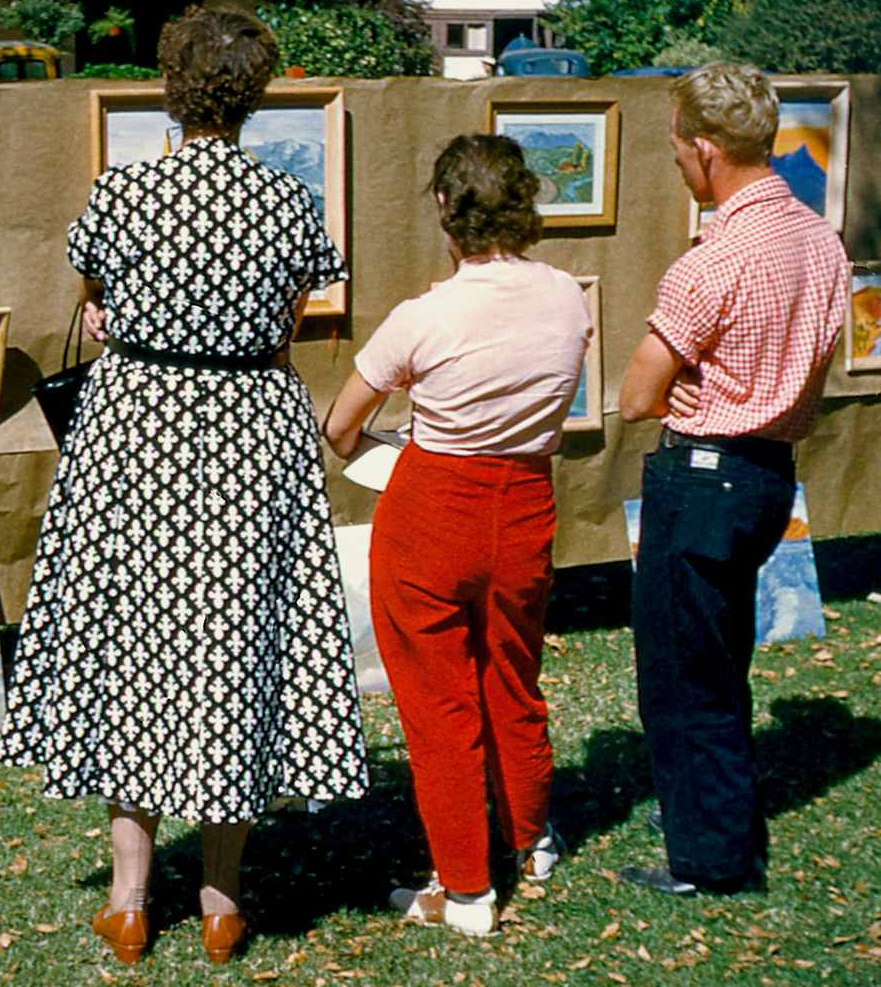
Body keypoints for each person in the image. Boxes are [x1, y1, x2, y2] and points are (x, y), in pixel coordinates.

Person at [0, 3, 370, 965]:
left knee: (132, 642)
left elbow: (93, 301)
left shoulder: (121, 191)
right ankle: (219, 902)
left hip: (135, 430)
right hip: (250, 434)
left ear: (170, 88)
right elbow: (291, 321)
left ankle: (127, 900)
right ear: (254, 94)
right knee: (232, 645)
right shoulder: (288, 202)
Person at [324, 134, 590, 936]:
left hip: (433, 511)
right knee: (513, 676)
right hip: (524, 504)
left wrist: (402, 443)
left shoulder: (422, 318)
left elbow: (339, 432)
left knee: (438, 707)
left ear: (446, 210)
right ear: (525, 204)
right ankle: (530, 838)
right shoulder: (565, 297)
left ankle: (466, 890)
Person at [617, 62, 849, 896]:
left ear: (707, 151)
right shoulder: (819, 240)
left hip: (703, 474)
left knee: (682, 677)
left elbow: (636, 395)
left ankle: (711, 861)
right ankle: (703, 807)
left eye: (679, 149)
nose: (678, 162)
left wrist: (698, 386)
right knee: (718, 660)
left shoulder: (709, 266)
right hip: (767, 478)